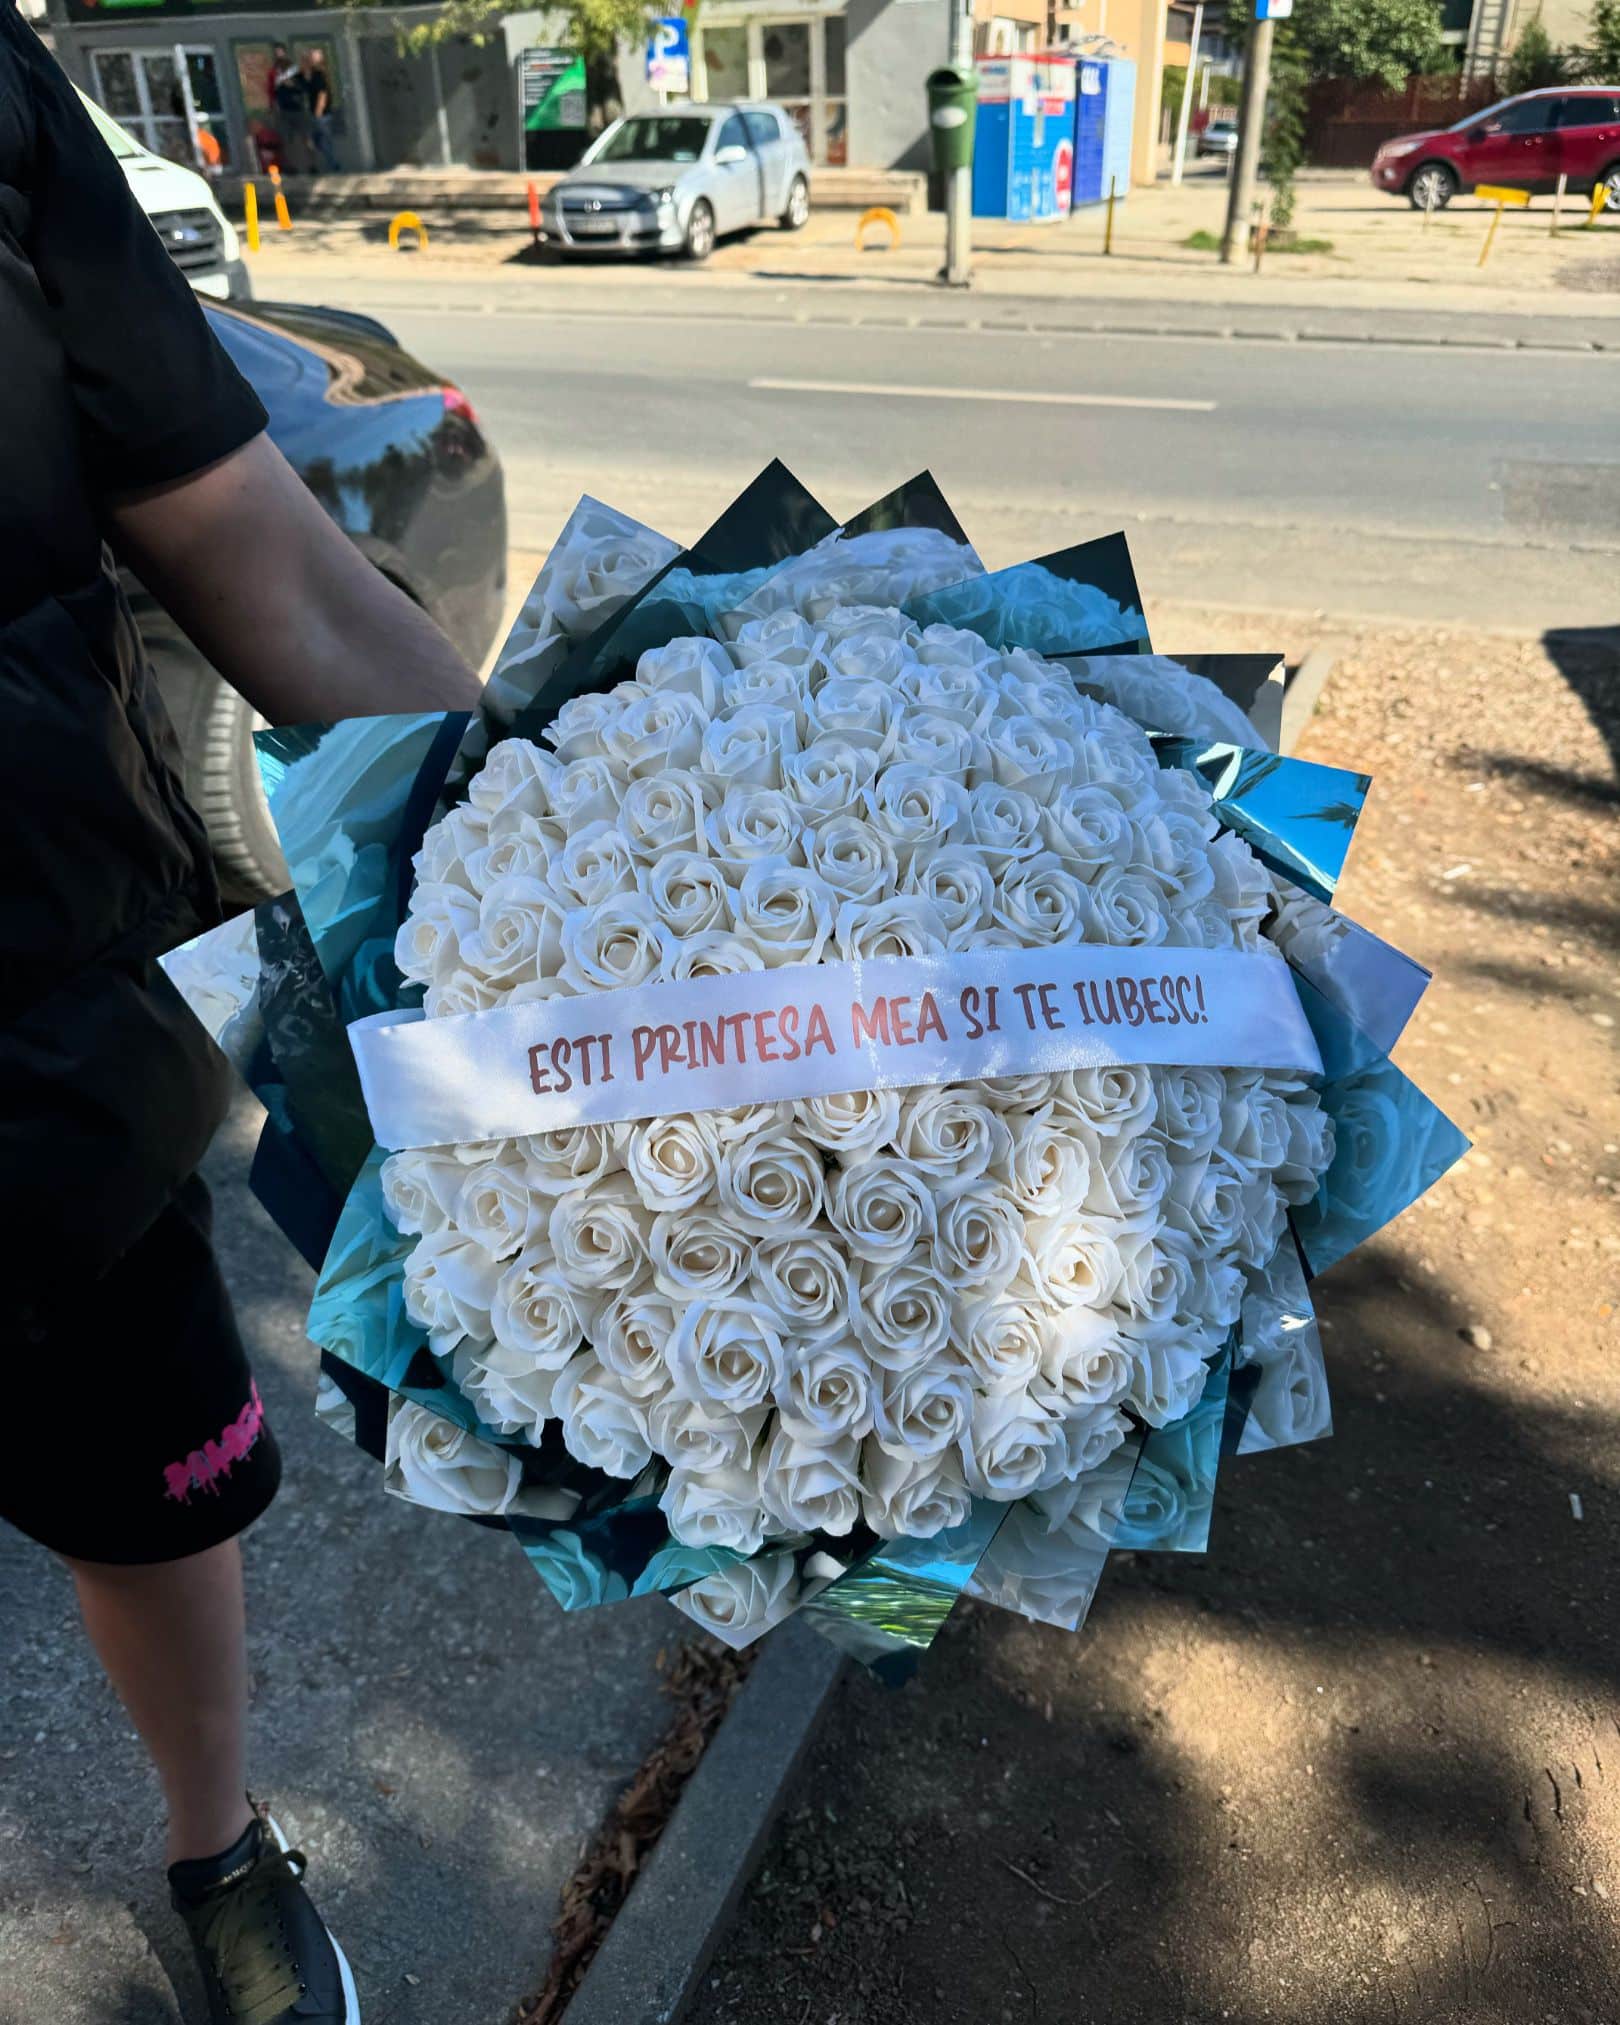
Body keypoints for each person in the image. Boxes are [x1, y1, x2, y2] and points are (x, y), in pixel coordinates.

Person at [1, 6, 483, 2020]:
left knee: (154, 1483)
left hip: (38, 1057)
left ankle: (219, 1840)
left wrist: (580, 849)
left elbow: (262, 554)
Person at [270, 39, 309, 173]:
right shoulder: (274, 74)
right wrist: (275, 107)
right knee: (287, 141)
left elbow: (302, 89)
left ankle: (311, 165)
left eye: (280, 52)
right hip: (284, 111)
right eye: (276, 52)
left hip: (297, 109)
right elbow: (273, 92)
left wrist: (289, 83)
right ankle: (291, 167)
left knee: (306, 138)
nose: (278, 54)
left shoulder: (295, 72)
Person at [300, 45, 338, 174]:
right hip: (317, 113)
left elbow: (322, 94)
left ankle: (333, 165)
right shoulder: (312, 75)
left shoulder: (319, 75)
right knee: (318, 140)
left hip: (321, 114)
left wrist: (318, 112)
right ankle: (332, 164)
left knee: (323, 140)